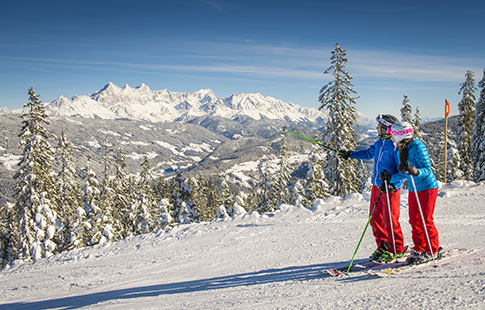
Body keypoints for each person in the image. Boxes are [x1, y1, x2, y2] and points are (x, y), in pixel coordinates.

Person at [338, 114, 405, 262]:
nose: (377, 129)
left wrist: (393, 181)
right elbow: (368, 153)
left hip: (391, 188)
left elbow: (404, 171)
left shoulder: (395, 147)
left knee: (390, 220)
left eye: (380, 127)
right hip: (377, 186)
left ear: (388, 129)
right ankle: (383, 247)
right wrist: (350, 154)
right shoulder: (379, 143)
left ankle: (397, 249)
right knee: (375, 219)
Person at [386, 121, 440, 264]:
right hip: (413, 188)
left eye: (393, 134)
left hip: (427, 187)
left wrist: (416, 172)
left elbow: (427, 169)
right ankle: (420, 247)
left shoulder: (417, 146)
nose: (391, 137)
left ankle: (432, 250)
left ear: (400, 135)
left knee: (425, 220)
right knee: (414, 220)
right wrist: (390, 178)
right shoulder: (400, 149)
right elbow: (404, 172)